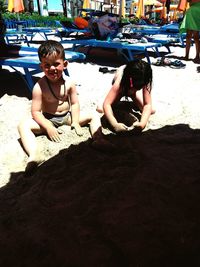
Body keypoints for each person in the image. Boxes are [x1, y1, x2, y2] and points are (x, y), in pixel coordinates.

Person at [18, 40, 97, 174]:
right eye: (47, 65)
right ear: (41, 67)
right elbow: (36, 111)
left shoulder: (70, 83)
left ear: (64, 64)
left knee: (94, 115)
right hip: (49, 119)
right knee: (23, 126)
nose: (52, 69)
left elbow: (75, 103)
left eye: (56, 64)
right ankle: (34, 155)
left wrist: (76, 122)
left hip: (67, 117)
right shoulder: (39, 87)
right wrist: (48, 127)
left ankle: (98, 138)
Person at [96, 59, 154, 134]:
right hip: (122, 88)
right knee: (100, 109)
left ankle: (130, 99)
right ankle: (125, 99)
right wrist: (115, 124)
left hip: (132, 89)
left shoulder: (145, 78)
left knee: (151, 111)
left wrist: (142, 124)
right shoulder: (120, 81)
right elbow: (107, 104)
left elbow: (147, 104)